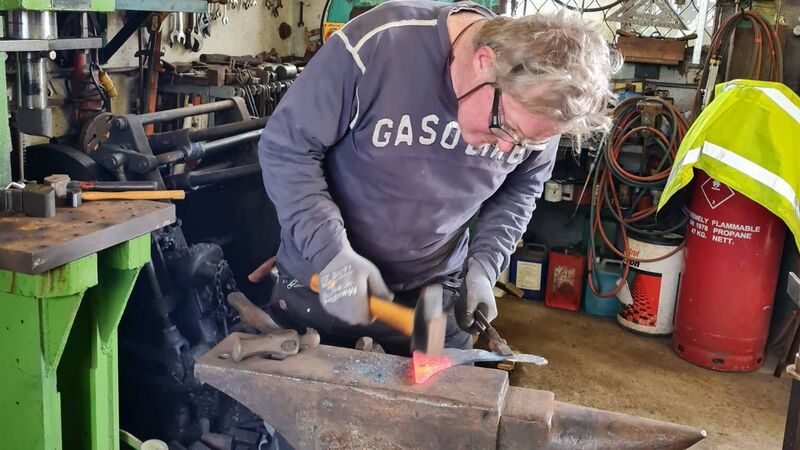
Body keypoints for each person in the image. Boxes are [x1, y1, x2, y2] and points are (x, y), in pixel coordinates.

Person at [249, 0, 621, 355]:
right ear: (483, 62)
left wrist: (485, 266)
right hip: (322, 282)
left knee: (435, 415)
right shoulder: (380, 46)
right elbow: (287, 148)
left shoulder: (541, 105)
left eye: (526, 142)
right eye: (504, 128)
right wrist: (329, 252)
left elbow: (522, 187)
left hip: (433, 298)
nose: (507, 150)